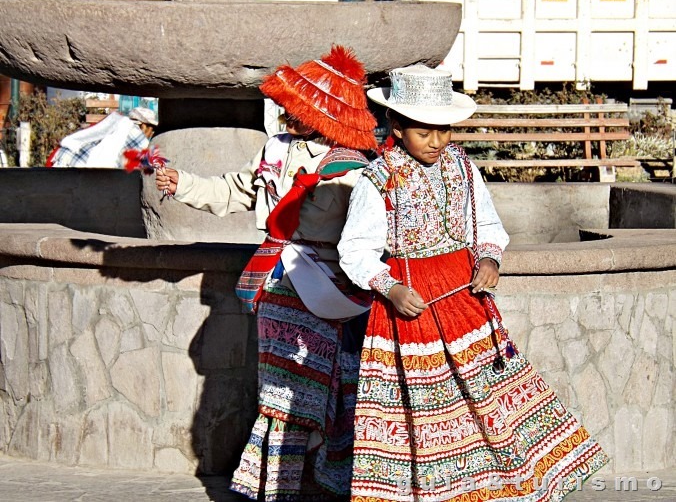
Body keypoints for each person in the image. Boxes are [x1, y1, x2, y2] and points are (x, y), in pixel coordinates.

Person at [337, 64, 609, 501]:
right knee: (424, 408)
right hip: (413, 306)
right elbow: (354, 248)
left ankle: (492, 487)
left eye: (443, 130)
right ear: (397, 125)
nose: (437, 141)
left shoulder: (462, 165)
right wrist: (390, 287)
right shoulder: (378, 178)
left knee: (487, 395)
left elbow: (487, 223)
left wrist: (488, 258)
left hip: (465, 301)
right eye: (424, 132)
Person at [155, 45, 378, 501]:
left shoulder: (356, 170)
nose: (284, 112)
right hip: (279, 284)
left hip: (330, 289)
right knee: (280, 388)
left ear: (318, 113)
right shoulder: (275, 150)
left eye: (294, 106)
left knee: (325, 383)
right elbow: (239, 190)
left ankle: (317, 482)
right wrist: (185, 185)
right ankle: (278, 485)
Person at [47, 106, 158, 168]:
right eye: (151, 130)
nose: (150, 135)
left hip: (65, 158)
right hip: (79, 168)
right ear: (144, 126)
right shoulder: (134, 133)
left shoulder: (116, 124)